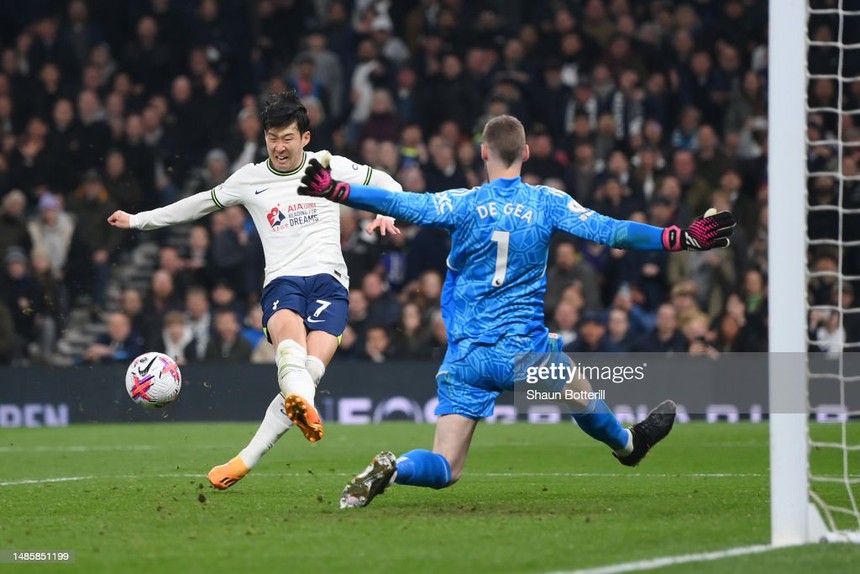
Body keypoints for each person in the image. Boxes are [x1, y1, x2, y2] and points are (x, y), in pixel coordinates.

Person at [297, 115, 735, 508]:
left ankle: (397, 468)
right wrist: (679, 237)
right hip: (526, 354)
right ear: (525, 153)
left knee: (446, 466)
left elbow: (403, 203)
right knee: (579, 391)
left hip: (467, 356)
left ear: (483, 153)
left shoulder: (463, 203)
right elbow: (613, 231)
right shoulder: (547, 202)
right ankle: (626, 445)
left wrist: (338, 190)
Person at [108, 90, 402, 490]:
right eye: (272, 138)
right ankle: (291, 415)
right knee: (289, 346)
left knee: (307, 373)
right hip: (283, 280)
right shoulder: (250, 179)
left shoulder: (327, 165)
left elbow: (384, 180)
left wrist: (385, 209)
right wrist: (139, 220)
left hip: (331, 282)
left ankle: (247, 457)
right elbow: (199, 204)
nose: (279, 147)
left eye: (287, 138)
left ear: (305, 137)